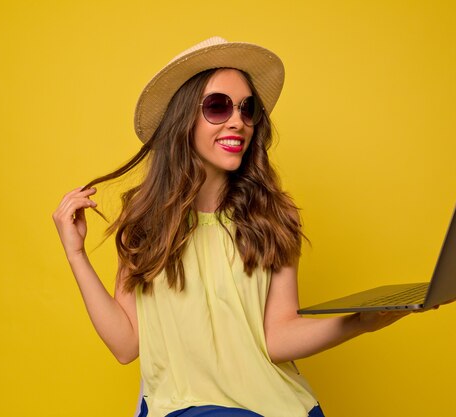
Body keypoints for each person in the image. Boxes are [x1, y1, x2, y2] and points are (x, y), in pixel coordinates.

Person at [53, 37, 425, 417]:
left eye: (248, 109)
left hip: (278, 405)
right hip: (187, 406)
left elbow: (276, 336)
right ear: (184, 120)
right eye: (218, 106)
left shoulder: (275, 217)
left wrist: (359, 323)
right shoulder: (145, 223)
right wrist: (76, 254)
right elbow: (125, 345)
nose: (238, 121)